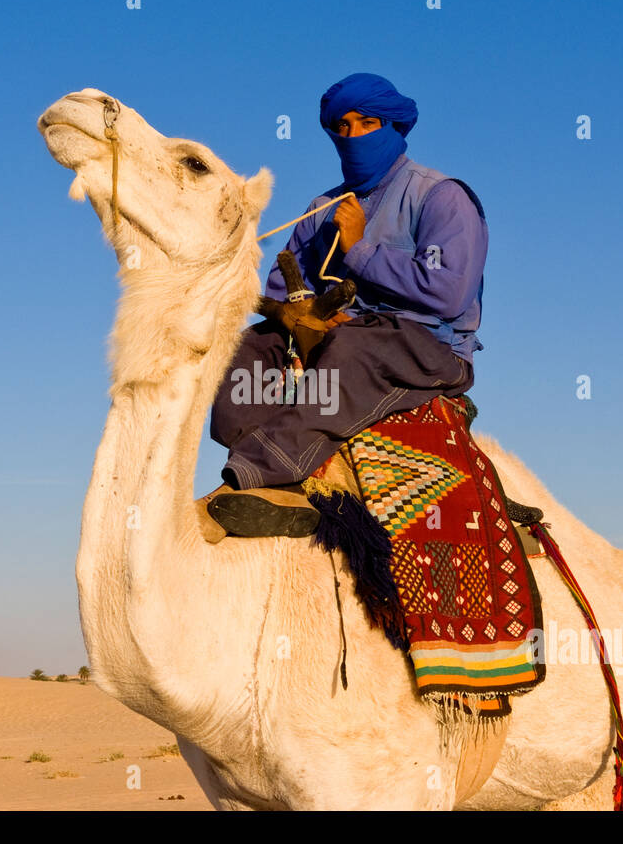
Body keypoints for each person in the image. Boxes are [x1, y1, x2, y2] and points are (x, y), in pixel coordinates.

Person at [201, 72, 488, 540]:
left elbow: (448, 293)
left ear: (394, 127)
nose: (353, 137)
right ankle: (268, 477)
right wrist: (298, 314)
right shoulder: (320, 208)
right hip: (340, 334)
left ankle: (263, 471)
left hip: (428, 345)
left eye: (367, 123)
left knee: (353, 351)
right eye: (343, 127)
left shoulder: (441, 196)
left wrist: (358, 251)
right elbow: (282, 289)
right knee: (248, 350)